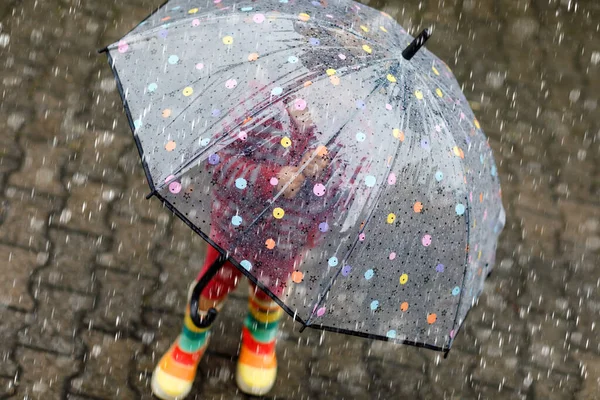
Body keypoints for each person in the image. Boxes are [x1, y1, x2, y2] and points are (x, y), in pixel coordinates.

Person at [150, 86, 339, 399]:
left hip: (287, 240)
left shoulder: (341, 131)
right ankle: (192, 338)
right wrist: (272, 179)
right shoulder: (256, 106)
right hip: (234, 231)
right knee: (213, 285)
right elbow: (218, 161)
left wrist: (321, 176)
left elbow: (344, 195)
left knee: (270, 291)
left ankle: (259, 339)